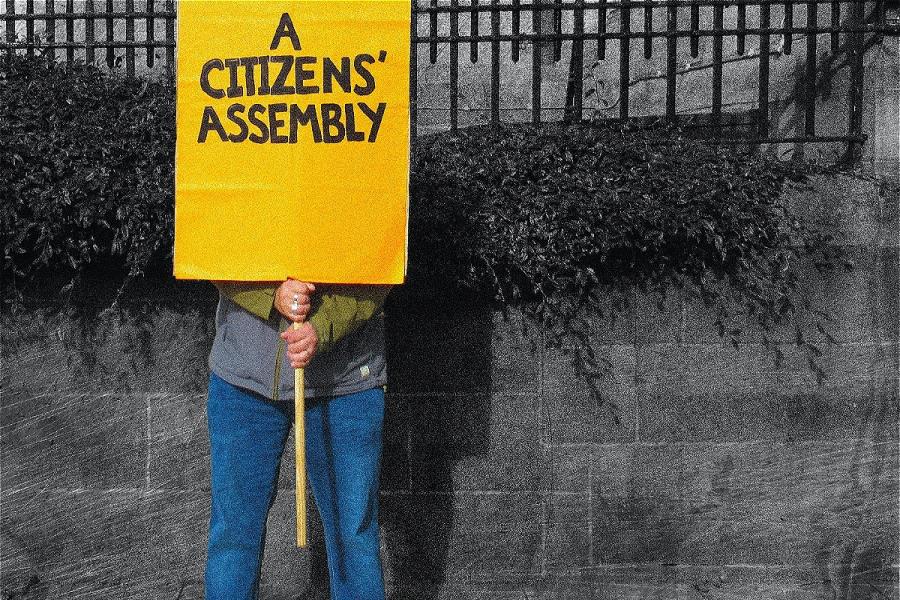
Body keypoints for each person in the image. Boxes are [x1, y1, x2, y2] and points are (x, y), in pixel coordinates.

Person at [203, 278, 393, 600]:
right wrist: (270, 296)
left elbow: (382, 256)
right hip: (244, 378)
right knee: (234, 533)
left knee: (353, 538)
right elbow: (213, 244)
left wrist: (324, 325)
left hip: (345, 381)